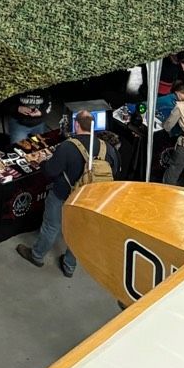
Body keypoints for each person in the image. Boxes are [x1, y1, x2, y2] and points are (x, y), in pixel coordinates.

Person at [17, 113, 112, 275]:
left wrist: (42, 161)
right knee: (79, 232)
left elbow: (50, 171)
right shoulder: (105, 147)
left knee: (51, 226)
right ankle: (69, 266)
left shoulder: (69, 146)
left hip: (63, 194)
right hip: (89, 200)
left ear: (76, 125)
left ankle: (37, 255)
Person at [161, 83, 184, 184]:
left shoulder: (179, 106)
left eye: (177, 95)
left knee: (174, 169)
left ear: (179, 94)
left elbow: (168, 125)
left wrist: (164, 125)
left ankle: (166, 190)